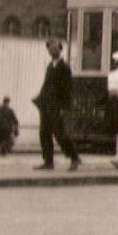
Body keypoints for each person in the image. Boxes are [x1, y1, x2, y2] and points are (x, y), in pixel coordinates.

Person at [33, 38, 81, 171]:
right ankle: (48, 161)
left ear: (60, 49)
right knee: (44, 133)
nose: (51, 50)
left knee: (60, 134)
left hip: (57, 106)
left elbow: (68, 89)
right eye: (49, 48)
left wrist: (64, 107)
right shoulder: (50, 65)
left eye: (54, 48)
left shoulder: (64, 67)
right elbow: (47, 85)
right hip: (46, 105)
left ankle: (74, 157)